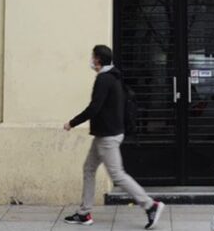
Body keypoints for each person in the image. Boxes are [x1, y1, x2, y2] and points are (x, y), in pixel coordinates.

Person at [63, 45, 165, 229]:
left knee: (117, 175)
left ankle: (150, 205)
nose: (91, 60)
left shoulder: (104, 79)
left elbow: (94, 108)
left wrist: (72, 123)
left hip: (107, 136)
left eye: (93, 56)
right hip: (106, 133)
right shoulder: (114, 76)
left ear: (98, 59)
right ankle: (84, 213)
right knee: (89, 169)